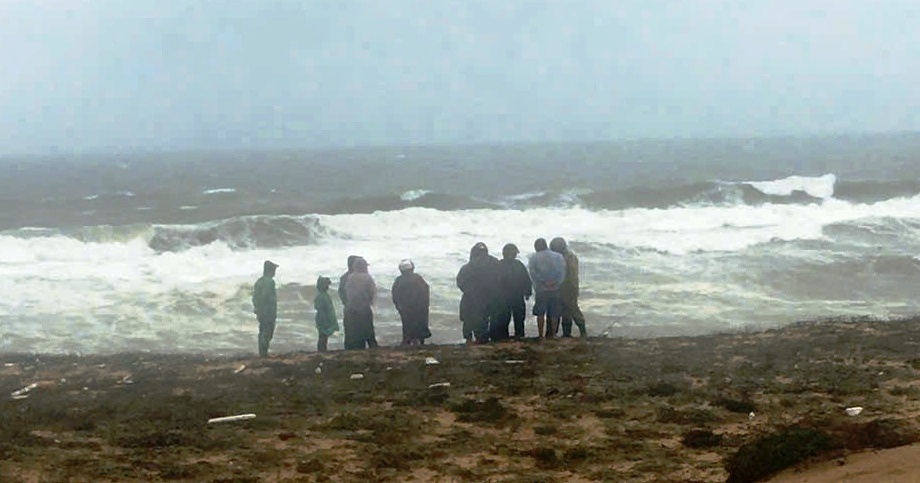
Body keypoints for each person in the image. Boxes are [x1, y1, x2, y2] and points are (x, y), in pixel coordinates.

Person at [456, 242, 502, 344]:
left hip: (471, 297)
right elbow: (502, 279)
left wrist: (468, 291)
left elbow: (460, 282)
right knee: (484, 320)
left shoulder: (468, 266)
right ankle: (483, 339)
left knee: (468, 319)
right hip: (490, 297)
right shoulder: (495, 262)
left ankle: (468, 340)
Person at [528, 238, 565, 338]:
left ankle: (540, 335)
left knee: (540, 313)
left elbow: (533, 273)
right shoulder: (559, 256)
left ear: (536, 247)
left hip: (541, 289)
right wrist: (555, 282)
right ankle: (553, 334)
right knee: (554, 313)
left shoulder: (534, 257)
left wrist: (544, 282)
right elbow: (562, 273)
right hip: (555, 288)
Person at [550, 237, 587, 338]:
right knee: (565, 312)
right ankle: (567, 334)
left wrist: (574, 288)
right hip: (562, 287)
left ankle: (583, 331)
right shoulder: (563, 256)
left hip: (569, 287)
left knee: (573, 310)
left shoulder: (570, 257)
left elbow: (573, 274)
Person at [495, 243, 532, 340]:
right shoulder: (518, 265)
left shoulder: (499, 265)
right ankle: (519, 336)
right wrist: (528, 292)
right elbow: (526, 280)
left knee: (504, 319)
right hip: (516, 297)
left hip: (503, 298)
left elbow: (493, 282)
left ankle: (503, 337)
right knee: (518, 319)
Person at [391, 259, 432, 345]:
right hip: (420, 309)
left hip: (406, 309)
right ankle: (419, 342)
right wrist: (425, 306)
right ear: (412, 268)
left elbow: (395, 296)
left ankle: (407, 342)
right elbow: (426, 291)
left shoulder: (398, 281)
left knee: (407, 327)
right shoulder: (418, 278)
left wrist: (399, 307)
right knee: (420, 328)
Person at [342, 257, 378, 349]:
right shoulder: (367, 277)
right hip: (363, 308)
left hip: (350, 309)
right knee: (368, 331)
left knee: (355, 332)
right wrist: (370, 303)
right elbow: (372, 293)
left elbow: (346, 293)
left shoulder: (349, 277)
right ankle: (373, 348)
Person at [252, 260, 279, 357]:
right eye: (274, 269)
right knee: (267, 332)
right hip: (268, 312)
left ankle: (262, 353)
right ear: (270, 270)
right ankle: (264, 354)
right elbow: (266, 296)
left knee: (263, 331)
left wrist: (257, 309)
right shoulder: (270, 282)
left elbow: (255, 297)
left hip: (261, 312)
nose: (275, 271)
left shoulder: (259, 281)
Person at [313, 276, 339, 352]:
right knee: (323, 337)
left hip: (321, 319)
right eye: (326, 285)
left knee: (322, 336)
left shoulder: (321, 295)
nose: (328, 287)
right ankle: (321, 350)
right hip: (323, 319)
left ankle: (321, 350)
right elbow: (325, 310)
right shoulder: (323, 296)